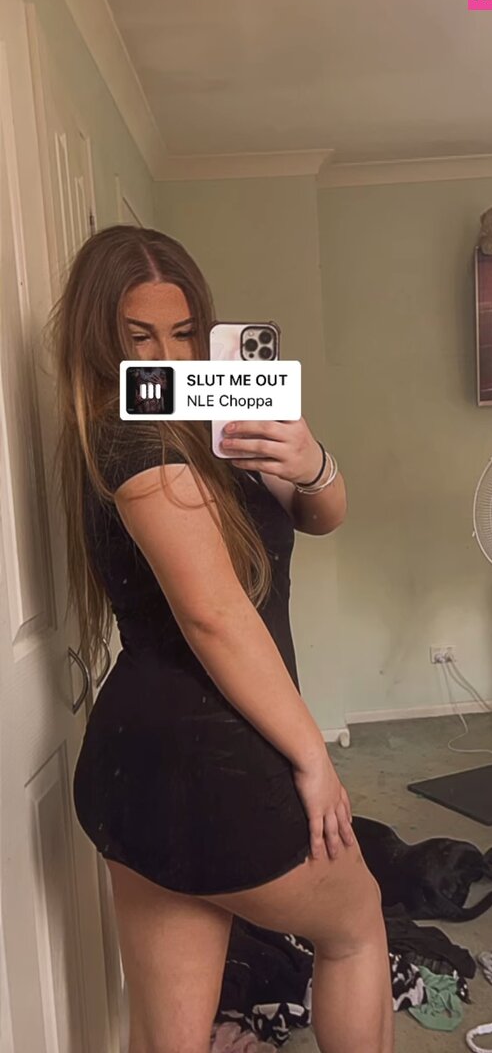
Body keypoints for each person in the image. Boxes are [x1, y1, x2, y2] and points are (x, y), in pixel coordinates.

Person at [50, 226, 394, 1053]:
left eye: (184, 332)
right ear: (100, 341)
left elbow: (322, 516)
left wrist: (309, 460)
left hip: (136, 770)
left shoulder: (211, 418)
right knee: (355, 928)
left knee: (169, 1035)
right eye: (140, 337)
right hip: (216, 761)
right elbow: (215, 615)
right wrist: (312, 757)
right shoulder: (138, 439)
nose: (168, 356)